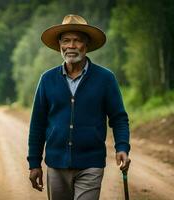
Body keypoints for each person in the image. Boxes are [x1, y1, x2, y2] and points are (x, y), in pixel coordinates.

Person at [27, 14, 131, 200]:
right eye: (66, 41)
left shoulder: (105, 79)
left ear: (87, 45)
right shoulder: (47, 79)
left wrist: (122, 147)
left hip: (91, 164)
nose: (71, 46)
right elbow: (37, 124)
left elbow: (119, 118)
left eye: (77, 40)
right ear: (60, 45)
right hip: (56, 165)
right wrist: (34, 163)